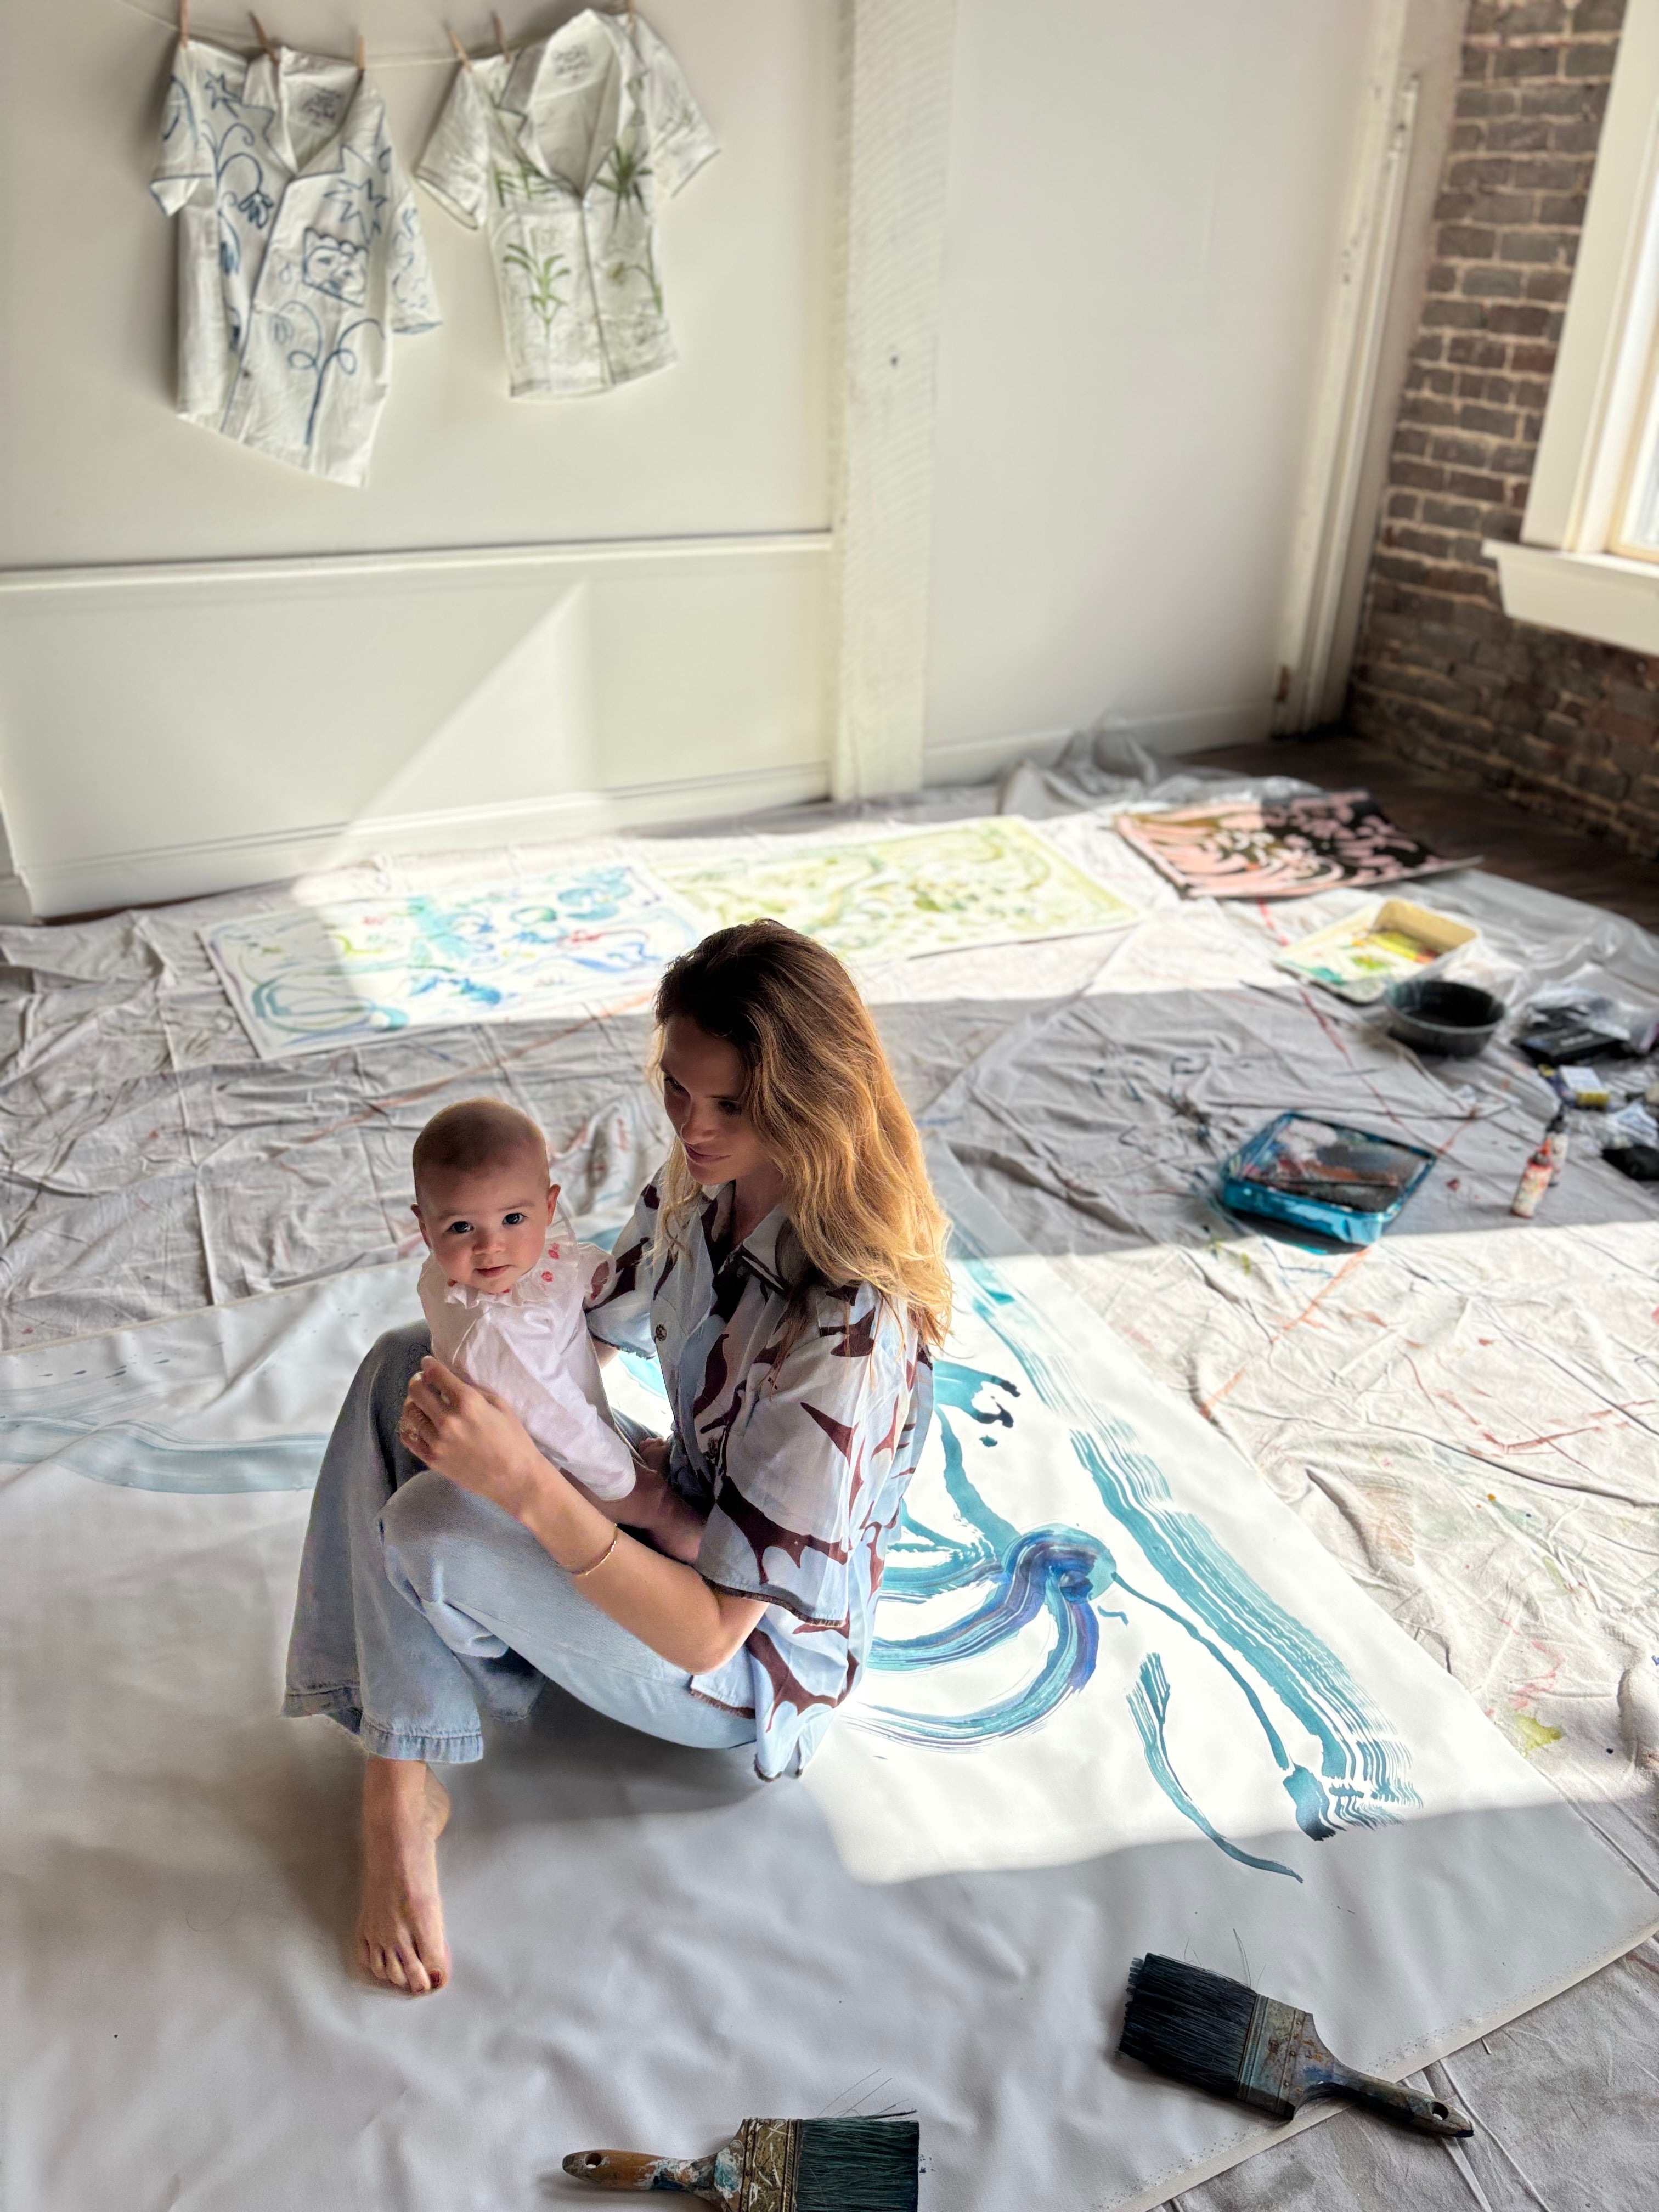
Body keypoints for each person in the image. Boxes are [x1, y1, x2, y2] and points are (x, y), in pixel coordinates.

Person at [283, 919, 951, 1996]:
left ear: (808, 1100)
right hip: (678, 1514)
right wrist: (490, 1250)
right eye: (679, 1091)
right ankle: (403, 1777)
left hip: (745, 1668)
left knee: (430, 1523)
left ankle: (398, 1795)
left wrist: (528, 1485)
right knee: (407, 1362)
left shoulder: (847, 1332)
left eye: (729, 1105)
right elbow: (590, 1304)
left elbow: (712, 1627)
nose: (692, 1125)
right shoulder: (708, 1185)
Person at [409, 1096, 702, 1561]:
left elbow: (554, 1263)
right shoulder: (496, 1332)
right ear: (426, 1230)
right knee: (650, 1505)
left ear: (549, 1208)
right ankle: (685, 1546)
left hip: (562, 1426)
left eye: (512, 1219)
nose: (490, 1247)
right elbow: (561, 1419)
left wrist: (593, 1271)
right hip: (548, 1460)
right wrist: (627, 1481)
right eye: (462, 1227)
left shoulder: (489, 1269)